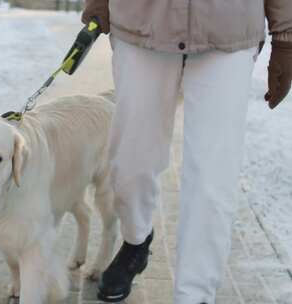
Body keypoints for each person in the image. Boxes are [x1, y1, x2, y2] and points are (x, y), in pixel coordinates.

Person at [81, 1, 292, 303]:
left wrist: (285, 37)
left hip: (228, 29)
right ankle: (135, 239)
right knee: (130, 164)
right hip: (140, 22)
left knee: (212, 178)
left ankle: (195, 293)